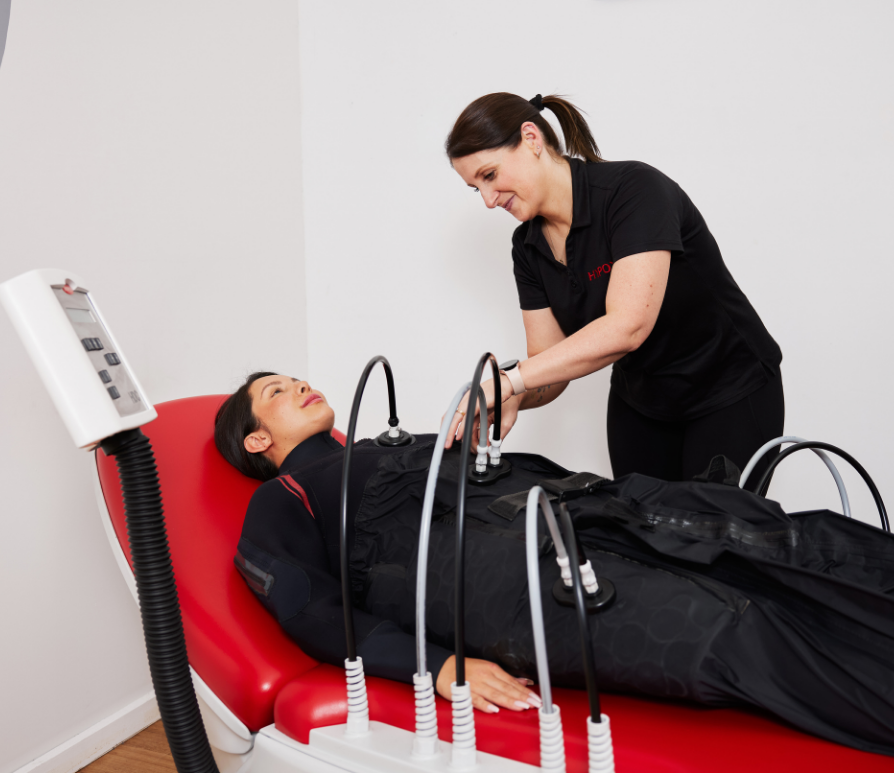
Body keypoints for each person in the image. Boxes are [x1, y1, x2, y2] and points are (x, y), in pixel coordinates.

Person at [215, 371, 892, 755]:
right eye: (275, 391)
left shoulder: (390, 443)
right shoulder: (280, 502)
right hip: (508, 582)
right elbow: (311, 612)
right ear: (256, 438)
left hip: (590, 509)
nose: (297, 383)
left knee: (785, 540)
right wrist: (437, 664)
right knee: (733, 629)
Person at [443, 93, 784, 487]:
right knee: (634, 539)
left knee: (713, 543)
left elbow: (628, 327)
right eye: (475, 189)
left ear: (532, 138)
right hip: (641, 402)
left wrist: (507, 381)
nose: (487, 200)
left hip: (729, 391)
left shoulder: (635, 192)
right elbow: (548, 366)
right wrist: (513, 398)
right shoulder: (528, 247)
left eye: (489, 175)